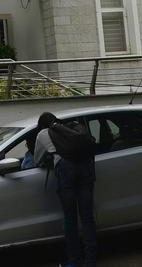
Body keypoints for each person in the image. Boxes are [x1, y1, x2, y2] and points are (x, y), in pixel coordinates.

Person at [35, 113, 96, 267]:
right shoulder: (73, 127)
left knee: (70, 218)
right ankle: (90, 261)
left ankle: (73, 261)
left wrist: (50, 158)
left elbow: (37, 160)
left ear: (42, 125)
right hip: (86, 167)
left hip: (66, 171)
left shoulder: (43, 134)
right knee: (87, 216)